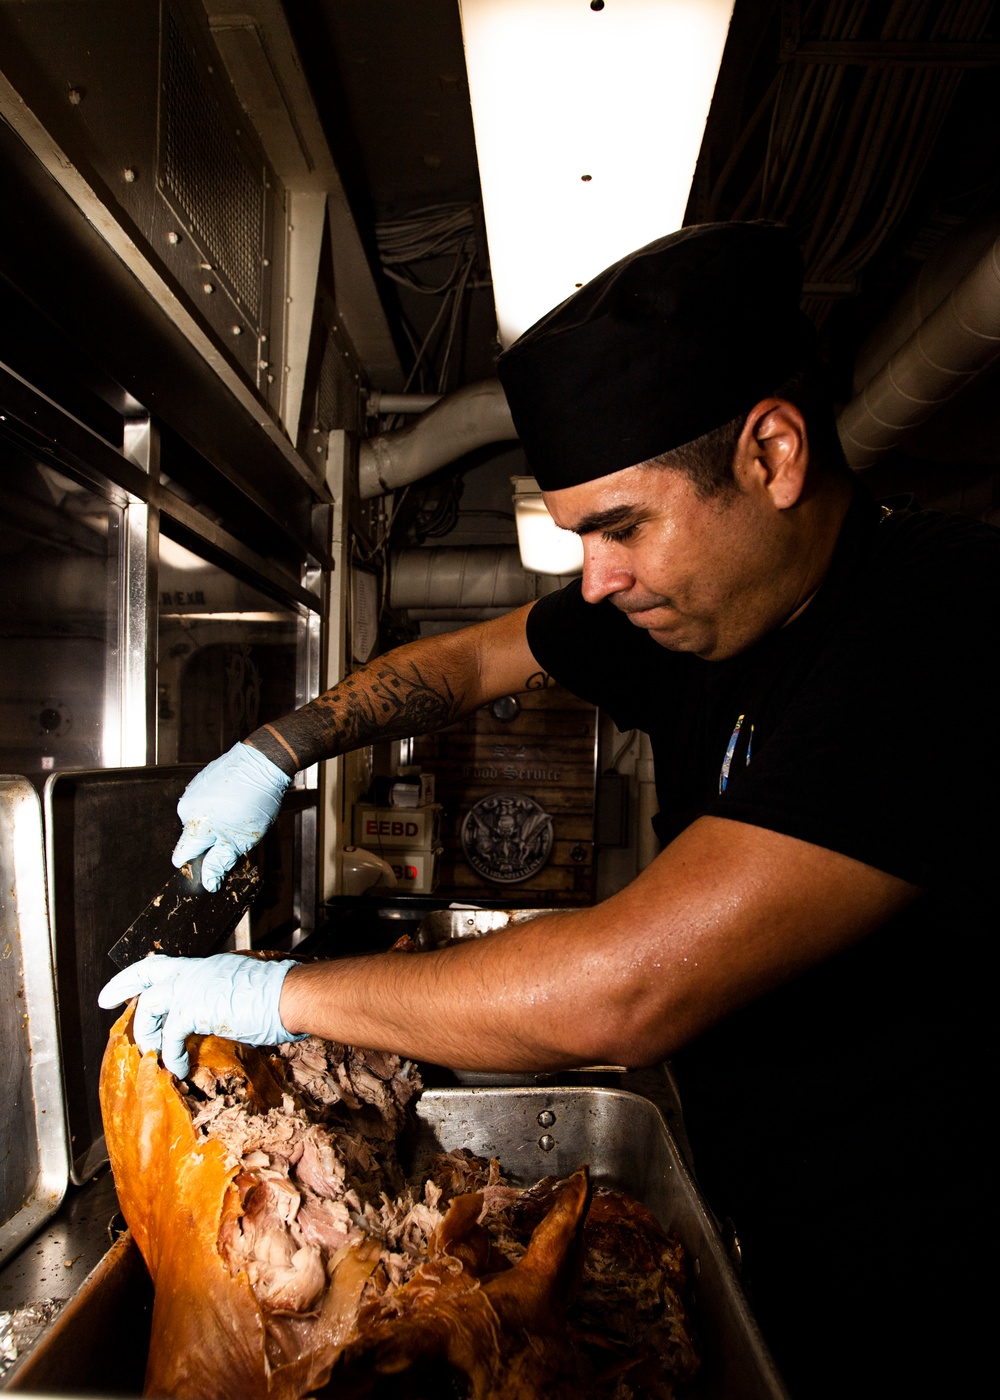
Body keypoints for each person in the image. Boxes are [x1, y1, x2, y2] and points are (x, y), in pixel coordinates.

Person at [100, 223, 996, 1396]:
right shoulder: (701, 608)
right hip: (749, 1213)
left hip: (923, 1282)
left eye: (621, 525)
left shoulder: (942, 627)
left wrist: (271, 994)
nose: (597, 580)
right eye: (580, 535)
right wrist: (279, 746)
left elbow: (625, 986)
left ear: (771, 452)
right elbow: (475, 661)